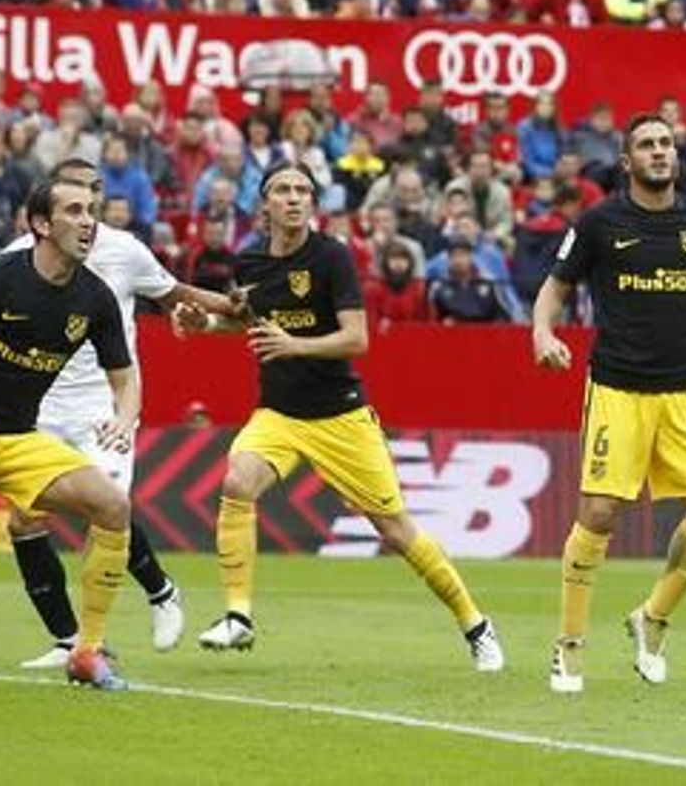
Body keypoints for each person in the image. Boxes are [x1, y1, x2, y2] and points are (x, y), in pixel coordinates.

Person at [172, 163, 502, 671]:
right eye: (283, 190)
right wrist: (207, 325)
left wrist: (294, 345)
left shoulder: (332, 257)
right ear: (264, 203)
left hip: (340, 415)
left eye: (303, 191)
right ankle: (238, 616)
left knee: (396, 531)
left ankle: (476, 625)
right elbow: (251, 323)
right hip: (279, 413)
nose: (294, 198)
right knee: (238, 481)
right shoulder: (250, 261)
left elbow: (357, 338)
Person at [532, 115, 686, 694]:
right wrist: (542, 331)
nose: (659, 152)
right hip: (618, 388)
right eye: (646, 145)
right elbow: (556, 286)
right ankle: (569, 647)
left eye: (666, 143)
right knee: (598, 514)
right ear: (627, 161)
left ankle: (653, 618)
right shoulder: (599, 222)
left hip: (685, 390)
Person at [6, 160, 239, 669]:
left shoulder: (124, 251)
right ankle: (68, 641)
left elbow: (175, 293)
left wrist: (233, 307)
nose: (88, 207)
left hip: (105, 406)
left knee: (104, 509)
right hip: (40, 406)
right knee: (23, 519)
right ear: (49, 207)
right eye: (76, 195)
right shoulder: (18, 257)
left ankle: (158, 592)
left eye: (95, 193)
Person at [0, 177, 141, 690]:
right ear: (42, 225)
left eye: (92, 211)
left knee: (113, 506)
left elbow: (124, 378)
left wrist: (124, 416)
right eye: (74, 211)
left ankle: (86, 652)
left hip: (21, 440)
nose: (88, 222)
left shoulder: (95, 298)